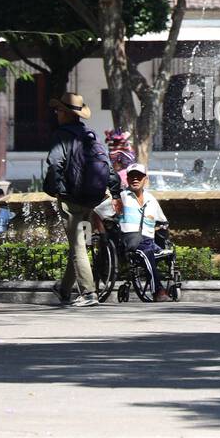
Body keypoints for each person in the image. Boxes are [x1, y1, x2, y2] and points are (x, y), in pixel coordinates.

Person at [44, 92, 122, 307]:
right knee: (79, 243)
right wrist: (115, 193)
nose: (56, 113)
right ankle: (64, 289)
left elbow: (54, 164)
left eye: (59, 110)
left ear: (67, 113)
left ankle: (88, 293)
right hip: (92, 198)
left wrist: (57, 190)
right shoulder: (91, 134)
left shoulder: (61, 135)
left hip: (71, 198)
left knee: (78, 245)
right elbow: (109, 167)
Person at [120, 163, 171, 301]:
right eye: (132, 176)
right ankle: (158, 291)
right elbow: (99, 211)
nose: (135, 179)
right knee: (146, 252)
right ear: (127, 179)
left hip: (149, 241)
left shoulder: (151, 199)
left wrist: (160, 229)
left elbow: (162, 222)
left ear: (145, 179)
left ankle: (171, 285)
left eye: (139, 176)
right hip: (131, 241)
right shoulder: (121, 197)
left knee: (168, 252)